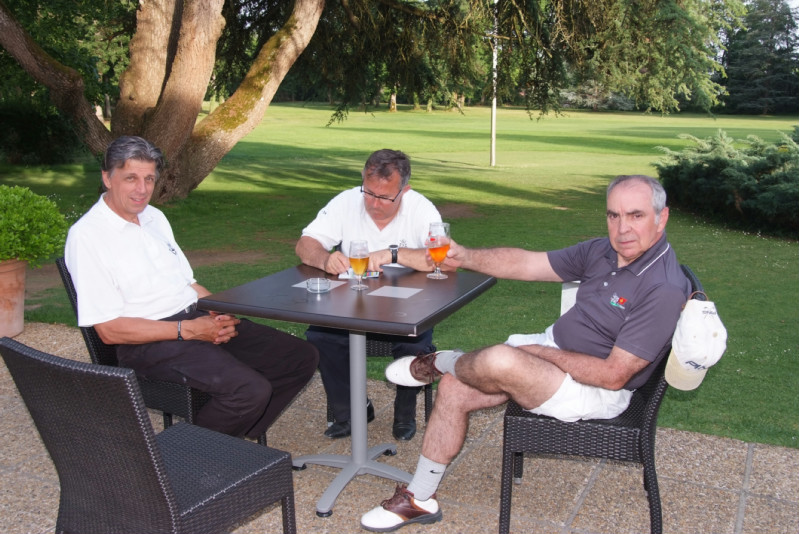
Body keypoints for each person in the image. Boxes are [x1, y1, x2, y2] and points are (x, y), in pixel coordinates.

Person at [360, 174, 691, 531]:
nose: (622, 228)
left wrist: (539, 353)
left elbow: (612, 376)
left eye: (636, 215)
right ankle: (420, 499)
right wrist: (465, 256)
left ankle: (441, 361)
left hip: (594, 389)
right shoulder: (603, 251)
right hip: (553, 352)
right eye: (614, 215)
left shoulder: (663, 287)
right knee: (455, 388)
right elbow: (527, 264)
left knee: (501, 360)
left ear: (662, 217)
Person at [65, 136, 319, 440]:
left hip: (194, 317)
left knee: (299, 356)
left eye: (149, 179)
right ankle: (187, 456)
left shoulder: (154, 217)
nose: (142, 189)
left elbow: (187, 283)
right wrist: (187, 330)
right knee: (249, 391)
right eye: (131, 178)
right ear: (108, 178)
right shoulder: (87, 236)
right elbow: (109, 330)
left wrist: (219, 311)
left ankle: (235, 438)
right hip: (147, 341)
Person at [296, 148, 442, 441]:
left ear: (404, 190)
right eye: (369, 192)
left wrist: (393, 254)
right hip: (353, 301)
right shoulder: (346, 201)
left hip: (407, 302)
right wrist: (324, 259)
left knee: (414, 340)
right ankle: (351, 411)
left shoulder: (421, 209)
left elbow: (441, 260)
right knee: (321, 336)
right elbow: (305, 244)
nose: (374, 204)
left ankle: (404, 412)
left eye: (384, 197)